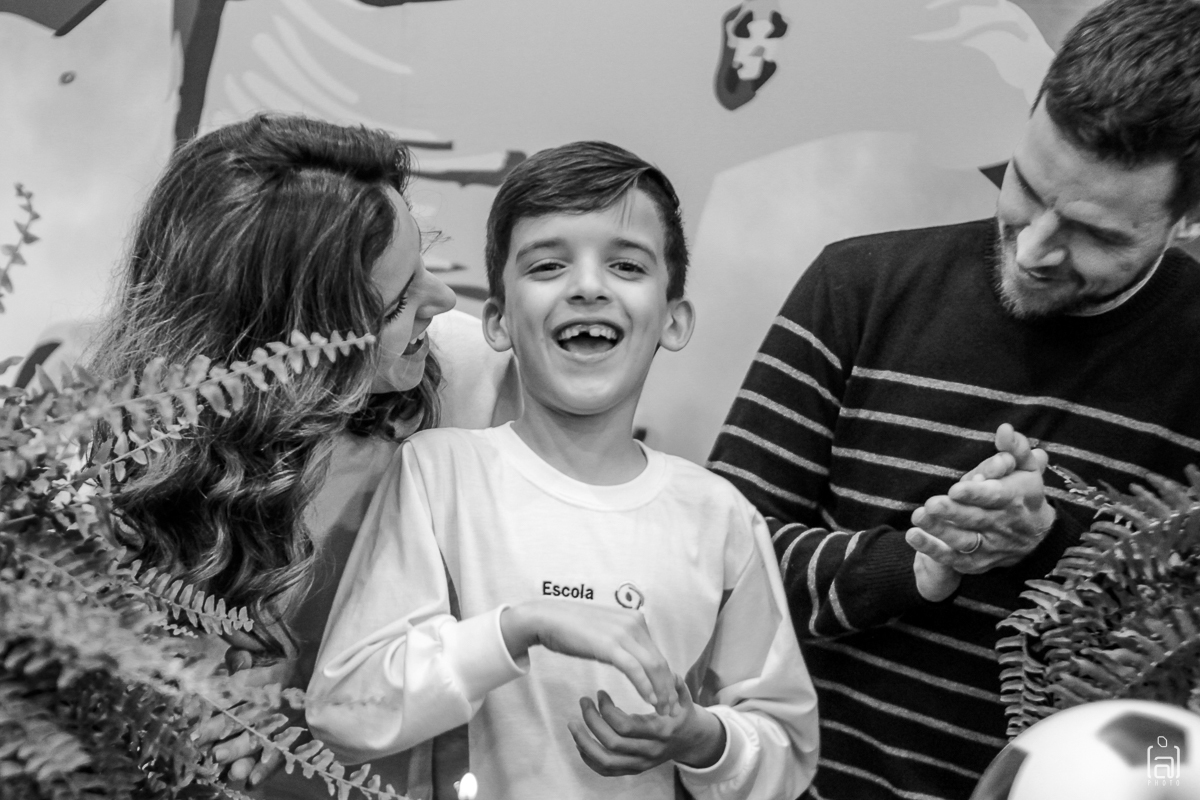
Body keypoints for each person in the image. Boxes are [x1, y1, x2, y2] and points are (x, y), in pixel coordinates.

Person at [707, 1, 1200, 798]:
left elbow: (1182, 669)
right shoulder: (857, 289)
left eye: (1096, 234)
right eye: (1026, 186)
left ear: (1188, 218)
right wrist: (916, 563)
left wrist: (1056, 544)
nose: (1035, 249)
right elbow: (711, 572)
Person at [306, 141, 819, 800]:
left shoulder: (720, 517)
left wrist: (704, 739)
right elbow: (346, 710)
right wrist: (517, 627)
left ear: (674, 319)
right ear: (497, 322)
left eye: (626, 265)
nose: (587, 286)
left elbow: (788, 749)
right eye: (548, 265)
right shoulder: (439, 474)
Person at [91, 113, 518, 798]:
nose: (441, 299)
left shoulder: (477, 380)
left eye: (424, 262)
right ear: (284, 343)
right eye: (395, 303)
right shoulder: (125, 460)